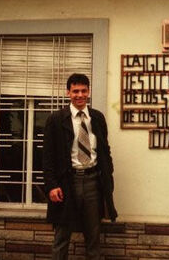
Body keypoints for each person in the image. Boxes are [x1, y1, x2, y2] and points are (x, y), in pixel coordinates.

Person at [43, 73, 117, 260]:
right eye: (75, 91)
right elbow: (47, 157)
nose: (80, 95)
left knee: (93, 236)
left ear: (89, 91)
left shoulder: (97, 118)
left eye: (84, 90)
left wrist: (108, 176)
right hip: (67, 183)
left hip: (93, 182)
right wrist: (52, 185)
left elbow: (105, 151)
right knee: (62, 236)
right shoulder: (56, 119)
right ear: (68, 92)